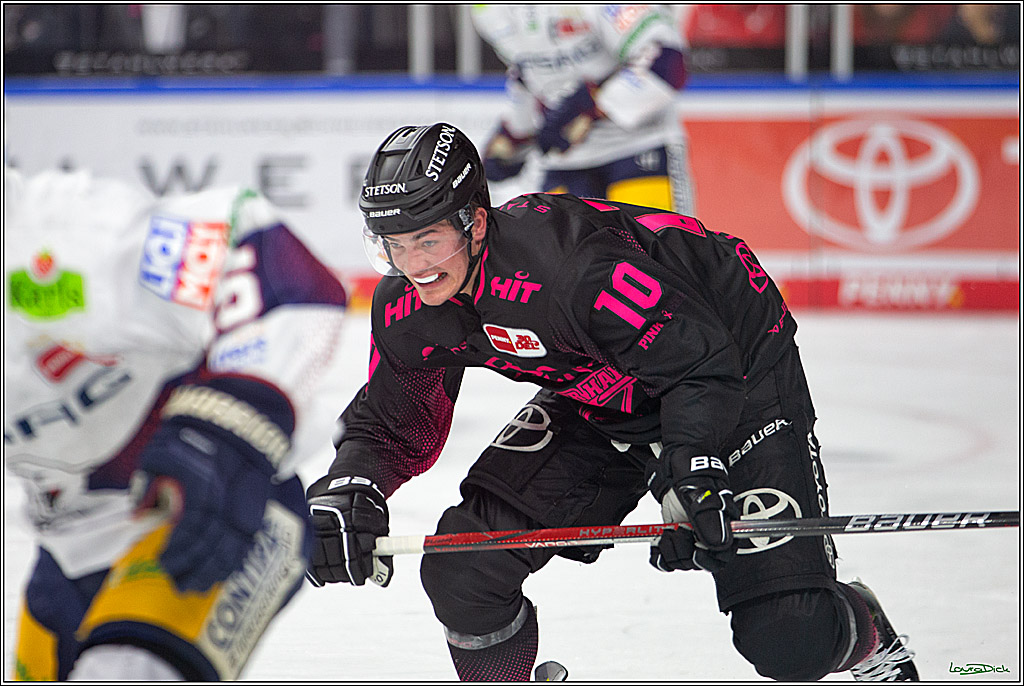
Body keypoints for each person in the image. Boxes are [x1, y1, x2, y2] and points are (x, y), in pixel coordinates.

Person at [304, 122, 920, 682]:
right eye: (394, 244)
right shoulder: (406, 308)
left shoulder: (569, 269)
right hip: (602, 389)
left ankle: (869, 635)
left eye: (429, 240)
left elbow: (699, 362)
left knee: (791, 639)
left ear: (477, 223)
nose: (414, 265)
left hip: (733, 370)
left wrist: (692, 468)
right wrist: (353, 485)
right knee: (464, 572)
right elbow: (394, 426)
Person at [5, 167, 349, 680]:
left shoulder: (61, 233)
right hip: (69, 549)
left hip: (213, 503)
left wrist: (227, 429)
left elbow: (261, 247)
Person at [471, 4, 695, 215]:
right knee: (558, 245)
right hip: (565, 164)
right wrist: (516, 134)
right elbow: (526, 73)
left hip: (640, 149)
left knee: (659, 243)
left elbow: (667, 62)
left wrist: (591, 107)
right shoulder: (486, 10)